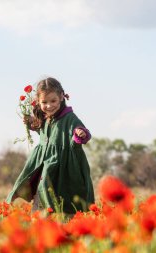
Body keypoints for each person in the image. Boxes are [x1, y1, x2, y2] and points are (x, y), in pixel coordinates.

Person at [6, 77, 94, 214]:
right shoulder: (46, 118)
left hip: (63, 169)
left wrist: (79, 133)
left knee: (61, 201)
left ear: (61, 97)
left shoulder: (69, 118)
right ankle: (39, 223)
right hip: (44, 166)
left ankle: (56, 223)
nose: (49, 106)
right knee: (42, 194)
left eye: (53, 101)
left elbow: (82, 131)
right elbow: (43, 131)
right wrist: (31, 122)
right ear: (38, 102)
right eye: (44, 102)